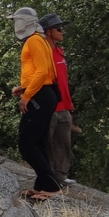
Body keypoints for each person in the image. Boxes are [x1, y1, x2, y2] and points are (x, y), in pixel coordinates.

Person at [7, 7, 62, 198]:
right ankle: (41, 186)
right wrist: (24, 87)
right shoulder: (40, 40)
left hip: (40, 95)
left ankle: (52, 186)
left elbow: (42, 72)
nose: (15, 25)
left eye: (17, 21)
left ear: (25, 23)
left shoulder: (34, 41)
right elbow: (44, 71)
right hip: (43, 92)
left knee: (27, 145)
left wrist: (26, 96)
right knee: (38, 143)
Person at [39, 13, 80, 186]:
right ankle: (47, 176)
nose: (63, 32)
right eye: (59, 28)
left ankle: (61, 175)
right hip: (49, 106)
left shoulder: (59, 52)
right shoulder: (43, 52)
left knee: (63, 142)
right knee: (46, 142)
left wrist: (70, 106)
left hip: (63, 106)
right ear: (49, 32)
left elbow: (64, 81)